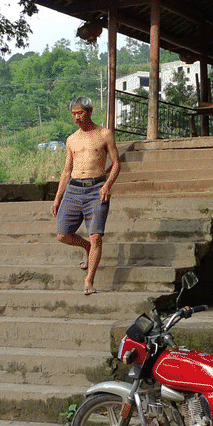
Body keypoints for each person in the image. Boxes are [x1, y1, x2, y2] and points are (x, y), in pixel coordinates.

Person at [51, 96, 121, 295]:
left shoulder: (105, 134)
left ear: (89, 112)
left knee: (96, 236)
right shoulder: (71, 139)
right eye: (73, 114)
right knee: (62, 235)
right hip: (73, 189)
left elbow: (116, 163)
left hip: (96, 188)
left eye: (80, 113)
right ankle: (86, 247)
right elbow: (66, 171)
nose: (76, 117)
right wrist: (58, 198)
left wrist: (107, 185)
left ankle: (89, 280)